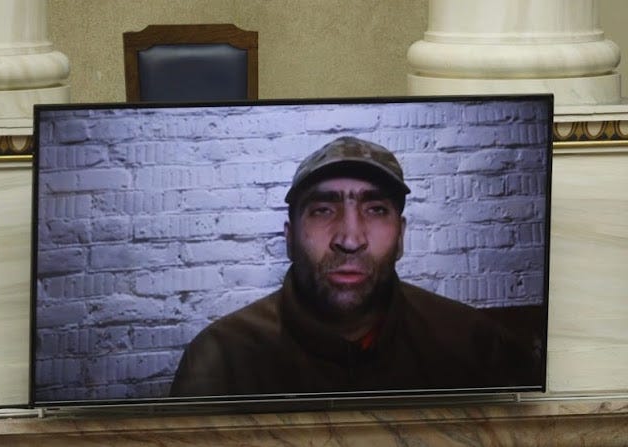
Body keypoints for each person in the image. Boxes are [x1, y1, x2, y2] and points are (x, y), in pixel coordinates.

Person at [170, 136, 539, 397]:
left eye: (375, 209)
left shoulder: (472, 343)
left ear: (401, 236)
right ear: (290, 238)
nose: (350, 239)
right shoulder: (221, 359)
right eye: (323, 210)